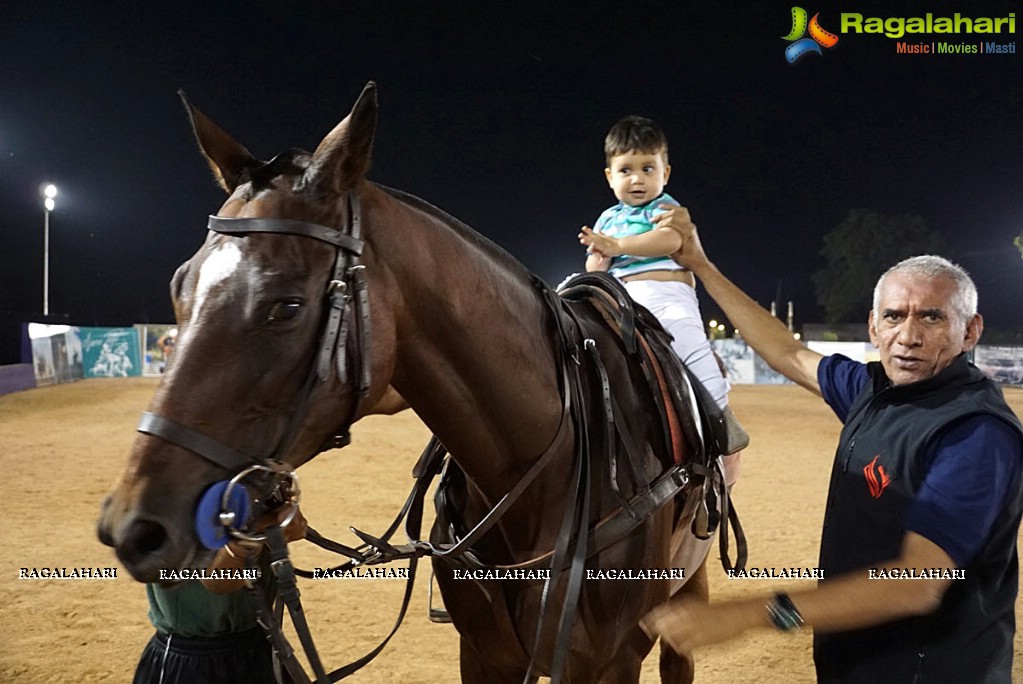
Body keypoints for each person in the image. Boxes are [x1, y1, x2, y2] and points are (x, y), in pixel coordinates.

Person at [641, 206, 1023, 683]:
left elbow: (916, 582)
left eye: (931, 318)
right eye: (894, 316)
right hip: (857, 663)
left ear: (970, 331)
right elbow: (787, 351)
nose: (908, 336)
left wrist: (746, 614)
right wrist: (701, 266)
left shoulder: (975, 434)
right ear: (873, 327)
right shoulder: (871, 388)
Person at [577, 115, 748, 455]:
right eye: (626, 170)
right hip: (620, 294)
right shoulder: (607, 218)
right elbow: (597, 262)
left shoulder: (665, 207)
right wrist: (598, 257)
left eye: (648, 169)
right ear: (610, 177)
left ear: (665, 174)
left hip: (666, 294)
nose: (637, 179)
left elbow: (669, 241)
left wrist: (619, 246)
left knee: (689, 342)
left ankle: (720, 415)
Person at [133, 506, 307, 684]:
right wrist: (256, 532)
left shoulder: (254, 483)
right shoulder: (173, 494)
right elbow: (219, 581)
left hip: (260, 646)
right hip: (192, 662)